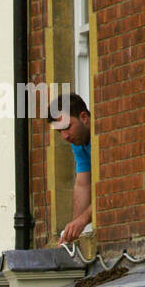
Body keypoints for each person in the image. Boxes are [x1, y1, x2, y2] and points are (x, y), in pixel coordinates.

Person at [48, 93, 92, 243]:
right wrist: (72, 234)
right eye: (59, 131)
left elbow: (112, 186)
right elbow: (82, 185)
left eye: (67, 127)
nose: (64, 136)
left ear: (84, 117)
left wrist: (83, 220)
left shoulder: (104, 135)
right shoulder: (79, 143)